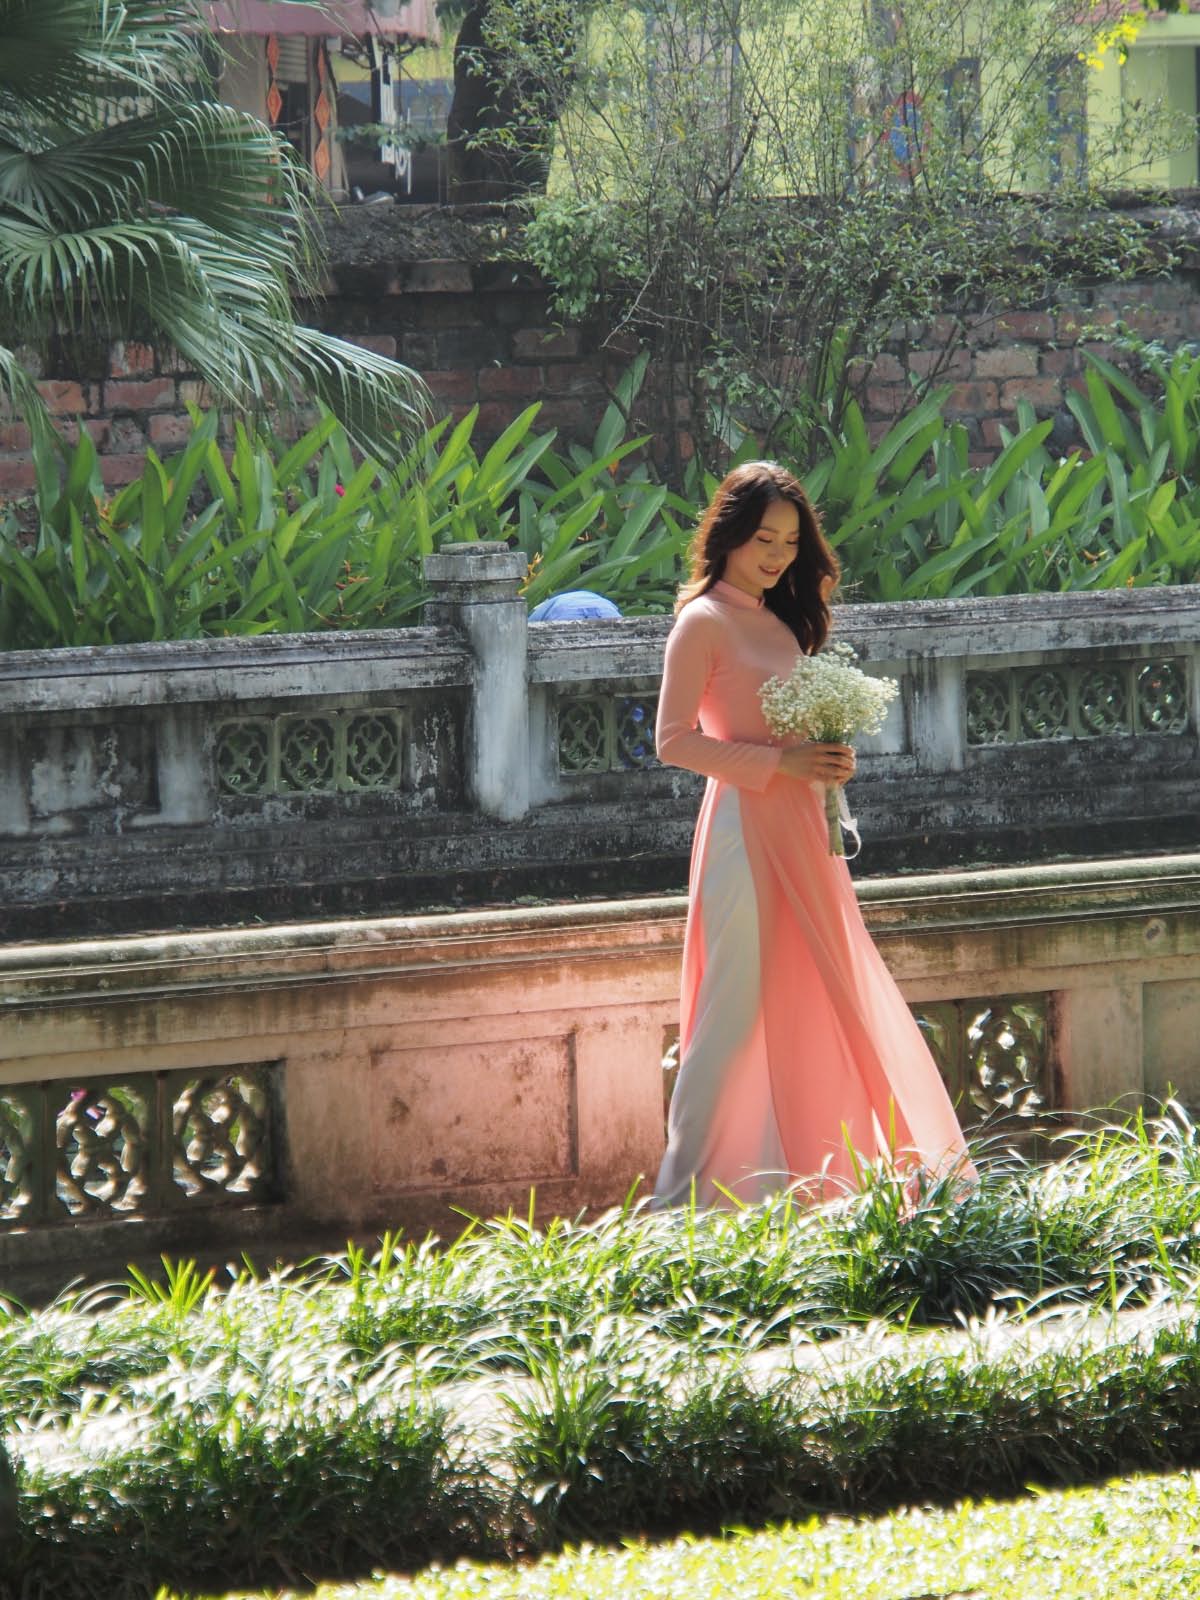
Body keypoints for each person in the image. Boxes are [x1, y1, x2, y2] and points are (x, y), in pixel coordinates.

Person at [653, 461, 972, 1208]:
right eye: (764, 538)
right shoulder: (701, 621)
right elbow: (672, 741)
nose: (777, 555)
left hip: (802, 830)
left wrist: (824, 761)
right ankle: (681, 1203)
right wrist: (781, 763)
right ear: (729, 534)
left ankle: (813, 1188)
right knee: (731, 1014)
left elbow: (787, 733)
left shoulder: (779, 621)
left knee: (819, 993)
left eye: (791, 543)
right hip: (743, 832)